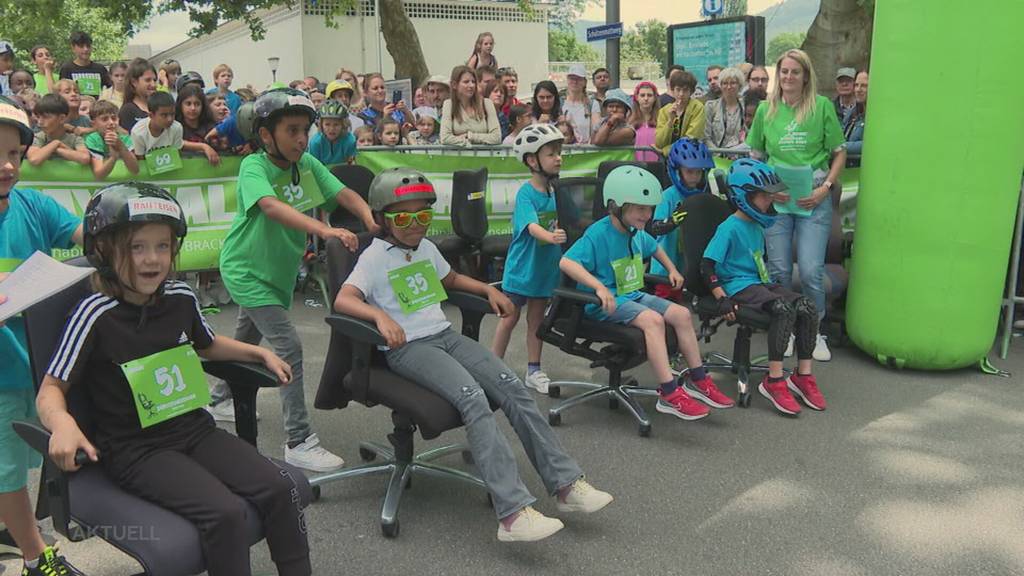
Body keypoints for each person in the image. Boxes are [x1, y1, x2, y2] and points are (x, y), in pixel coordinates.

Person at [38, 182, 313, 576]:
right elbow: (51, 389)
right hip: (136, 450)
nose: (152, 259)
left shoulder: (180, 296)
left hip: (193, 431)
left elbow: (207, 344)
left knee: (281, 487)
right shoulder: (94, 314)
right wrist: (62, 424)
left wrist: (259, 351)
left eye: (162, 246)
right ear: (103, 251)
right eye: (136, 247)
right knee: (226, 514)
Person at [335, 167, 613, 542]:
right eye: (404, 217)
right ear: (383, 218)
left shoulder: (426, 248)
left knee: (512, 387)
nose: (415, 224)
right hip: (409, 348)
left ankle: (565, 485)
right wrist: (378, 316)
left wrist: (486, 290)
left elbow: (448, 280)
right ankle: (513, 514)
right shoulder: (374, 257)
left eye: (423, 215)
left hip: (444, 336)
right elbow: (344, 298)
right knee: (472, 398)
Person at [213, 88, 375, 472]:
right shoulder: (254, 167)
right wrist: (326, 229)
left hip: (276, 274)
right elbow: (271, 207)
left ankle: (219, 397)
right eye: (292, 130)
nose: (302, 138)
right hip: (246, 270)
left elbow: (345, 193)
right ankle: (298, 439)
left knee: (245, 339)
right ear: (266, 134)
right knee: (289, 345)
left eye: (305, 130)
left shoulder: (307, 163)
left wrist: (371, 221)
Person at [559, 165, 732, 419]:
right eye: (640, 208)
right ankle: (669, 393)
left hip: (632, 295)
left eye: (650, 208)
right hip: (604, 303)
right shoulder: (597, 233)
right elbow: (566, 262)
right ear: (616, 205)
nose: (648, 214)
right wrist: (598, 287)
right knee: (654, 321)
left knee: (682, 315)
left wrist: (672, 268)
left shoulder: (635, 231)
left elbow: (654, 247)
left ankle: (699, 379)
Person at [0, 95, 87, 576]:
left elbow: (82, 235)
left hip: (35, 366)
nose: (6, 166)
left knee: (16, 467)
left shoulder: (33, 205)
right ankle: (37, 557)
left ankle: (16, 529)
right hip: (0, 376)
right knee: (8, 472)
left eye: (13, 154)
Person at [745, 49, 846, 361]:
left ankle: (814, 332)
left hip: (813, 198)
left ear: (806, 77)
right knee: (778, 270)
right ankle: (785, 328)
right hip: (777, 200)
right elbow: (756, 156)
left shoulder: (822, 107)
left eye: (795, 72)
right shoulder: (765, 110)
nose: (788, 77)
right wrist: (765, 190)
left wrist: (826, 188)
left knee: (812, 270)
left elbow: (839, 152)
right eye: (784, 72)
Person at [703, 159, 826, 414]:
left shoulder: (756, 226)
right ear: (744, 196)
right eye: (764, 196)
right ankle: (774, 380)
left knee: (807, 306)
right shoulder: (729, 228)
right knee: (782, 309)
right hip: (737, 288)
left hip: (759, 284)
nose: (770, 201)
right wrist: (721, 298)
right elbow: (706, 266)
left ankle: (803, 376)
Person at [490, 124, 566, 393]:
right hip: (523, 269)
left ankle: (533, 370)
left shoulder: (556, 191)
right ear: (532, 160)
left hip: (544, 270)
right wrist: (551, 237)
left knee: (537, 321)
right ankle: (493, 369)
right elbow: (532, 227)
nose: (558, 157)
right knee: (509, 318)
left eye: (559, 152)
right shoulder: (526, 193)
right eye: (551, 153)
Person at [649, 138, 714, 301]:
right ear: (677, 171)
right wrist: (672, 222)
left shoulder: (702, 195)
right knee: (665, 303)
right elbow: (655, 227)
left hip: (687, 263)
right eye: (690, 172)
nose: (694, 177)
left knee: (680, 304)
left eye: (699, 172)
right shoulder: (667, 196)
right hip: (666, 265)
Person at [439, 66, 500, 146]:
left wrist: (470, 136)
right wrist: (467, 143)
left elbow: (496, 138)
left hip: (484, 156)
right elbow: (445, 138)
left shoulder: (487, 103)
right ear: (454, 85)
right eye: (466, 82)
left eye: (473, 82)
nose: (471, 85)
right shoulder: (448, 105)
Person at [26, 94, 90, 166]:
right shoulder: (39, 137)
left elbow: (85, 158)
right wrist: (55, 143)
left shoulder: (75, 139)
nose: (39, 122)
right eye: (38, 117)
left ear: (62, 118)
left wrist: (57, 148)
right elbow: (34, 159)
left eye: (45, 117)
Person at [655, 70, 705, 154]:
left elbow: (691, 138)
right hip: (668, 160)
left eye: (685, 90)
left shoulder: (698, 107)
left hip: (689, 157)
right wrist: (670, 121)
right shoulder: (664, 111)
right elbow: (659, 142)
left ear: (691, 91)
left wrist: (665, 151)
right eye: (678, 89)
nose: (681, 94)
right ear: (672, 90)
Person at [85, 99, 139, 178]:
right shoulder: (92, 139)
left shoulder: (125, 138)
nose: (111, 122)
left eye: (114, 118)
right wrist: (113, 158)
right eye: (104, 119)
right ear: (94, 124)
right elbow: (99, 175)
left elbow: (135, 170)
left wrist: (121, 146)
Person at [176, 84, 221, 165]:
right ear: (180, 105)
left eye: (197, 104)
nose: (193, 108)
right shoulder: (174, 127)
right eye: (188, 104)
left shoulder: (211, 127)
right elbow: (176, 143)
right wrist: (203, 147)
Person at [58, 31, 111, 99]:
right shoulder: (67, 69)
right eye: (81, 46)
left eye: (88, 46)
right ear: (73, 48)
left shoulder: (100, 69)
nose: (85, 49)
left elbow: (110, 89)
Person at [130, 91, 183, 159]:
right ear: (151, 115)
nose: (169, 119)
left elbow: (176, 156)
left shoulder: (177, 128)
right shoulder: (138, 132)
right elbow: (141, 160)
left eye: (172, 114)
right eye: (164, 115)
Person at [703, 66, 746, 150]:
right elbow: (706, 137)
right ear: (720, 85)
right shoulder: (711, 106)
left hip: (741, 156)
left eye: (733, 83)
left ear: (740, 85)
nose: (729, 87)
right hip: (717, 157)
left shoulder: (746, 106)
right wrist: (718, 154)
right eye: (725, 83)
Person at [560, 64, 599, 144]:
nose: (575, 81)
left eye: (579, 79)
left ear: (585, 82)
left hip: (585, 152)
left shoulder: (592, 104)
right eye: (572, 78)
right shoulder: (559, 103)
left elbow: (596, 129)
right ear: (567, 80)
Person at [308, 100, 356, 165]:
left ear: (343, 125)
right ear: (321, 124)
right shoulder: (316, 142)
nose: (331, 129)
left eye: (336, 124)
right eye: (327, 124)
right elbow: (313, 167)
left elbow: (352, 166)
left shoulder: (350, 141)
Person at [119, 58, 157, 131]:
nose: (153, 84)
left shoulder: (160, 105)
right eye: (148, 80)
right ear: (134, 82)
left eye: (154, 80)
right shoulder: (127, 111)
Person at [630, 81, 660, 162]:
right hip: (635, 165)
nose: (646, 98)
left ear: (655, 98)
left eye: (649, 95)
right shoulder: (629, 121)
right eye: (642, 95)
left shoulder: (662, 119)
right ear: (637, 97)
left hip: (657, 165)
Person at [846, 70, 868, 157]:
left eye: (864, 86)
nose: (858, 90)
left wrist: (841, 147)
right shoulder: (853, 113)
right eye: (856, 85)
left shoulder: (880, 116)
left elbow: (871, 145)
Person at [832, 67, 858, 138]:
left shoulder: (863, 109)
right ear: (836, 85)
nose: (844, 84)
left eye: (848, 81)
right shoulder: (829, 108)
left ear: (855, 83)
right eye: (841, 81)